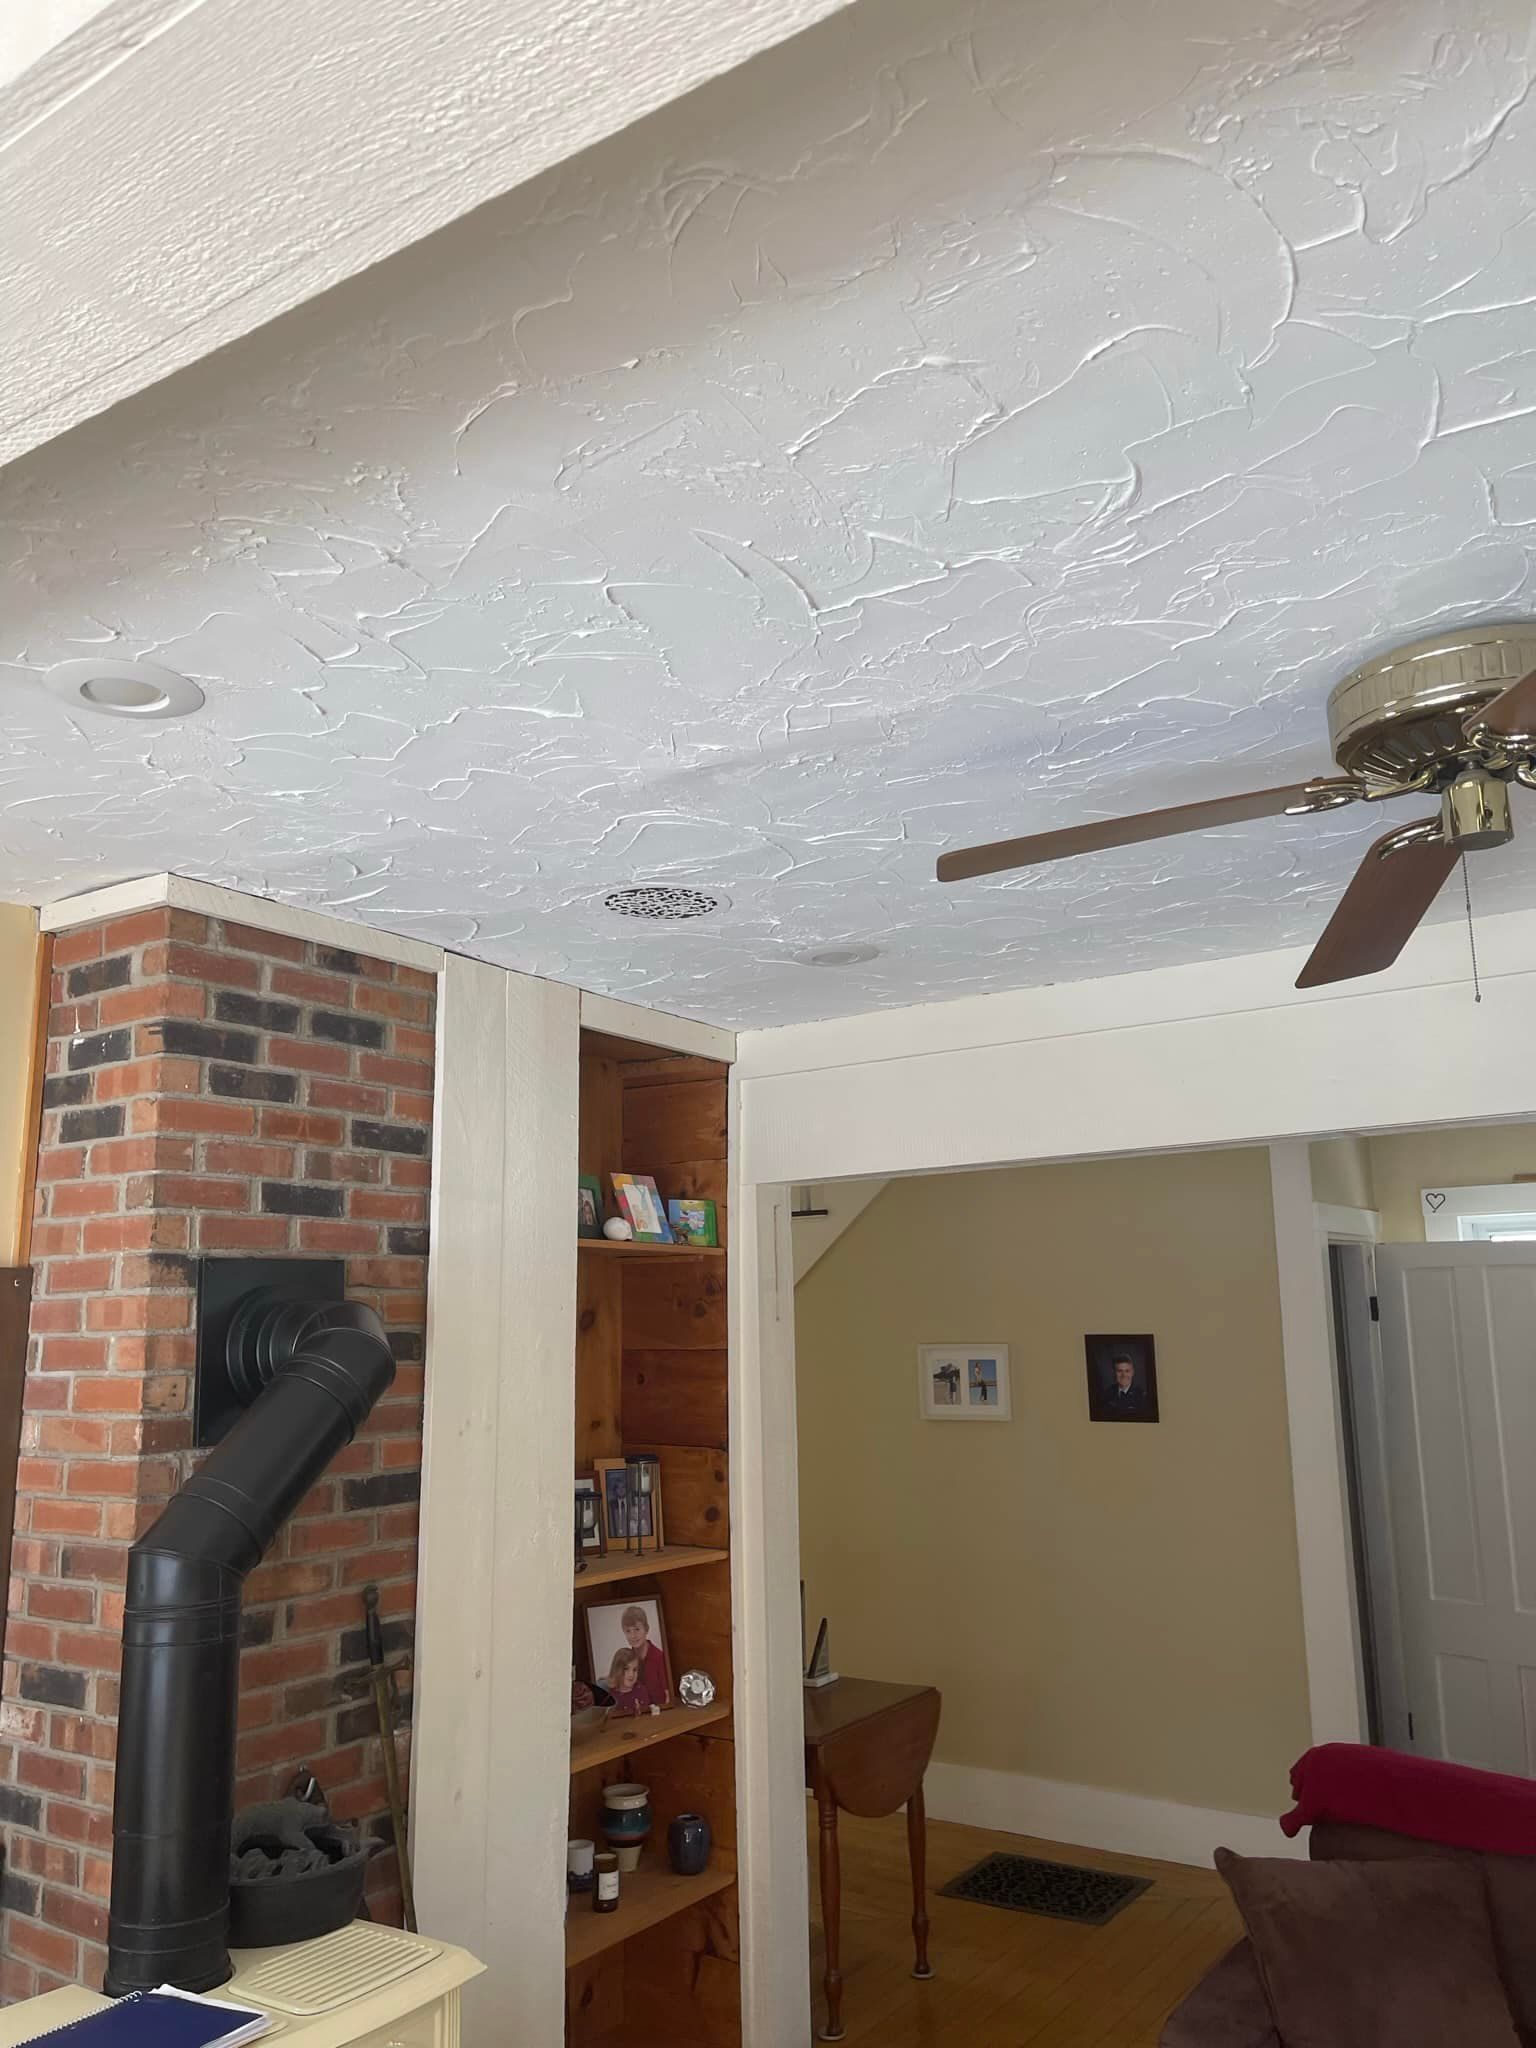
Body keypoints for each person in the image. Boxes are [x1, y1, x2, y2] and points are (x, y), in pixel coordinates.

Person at [621, 1603, 671, 1706]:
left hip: (658, 1709)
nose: (633, 1636)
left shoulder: (659, 1657)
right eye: (628, 1631)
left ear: (646, 1629)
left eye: (637, 1629)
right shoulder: (627, 1658)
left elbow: (668, 1694)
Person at [605, 1645, 654, 1718]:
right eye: (626, 1669)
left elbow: (648, 1715)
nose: (631, 1675)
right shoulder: (610, 1697)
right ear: (617, 1670)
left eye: (634, 1670)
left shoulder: (642, 1690)